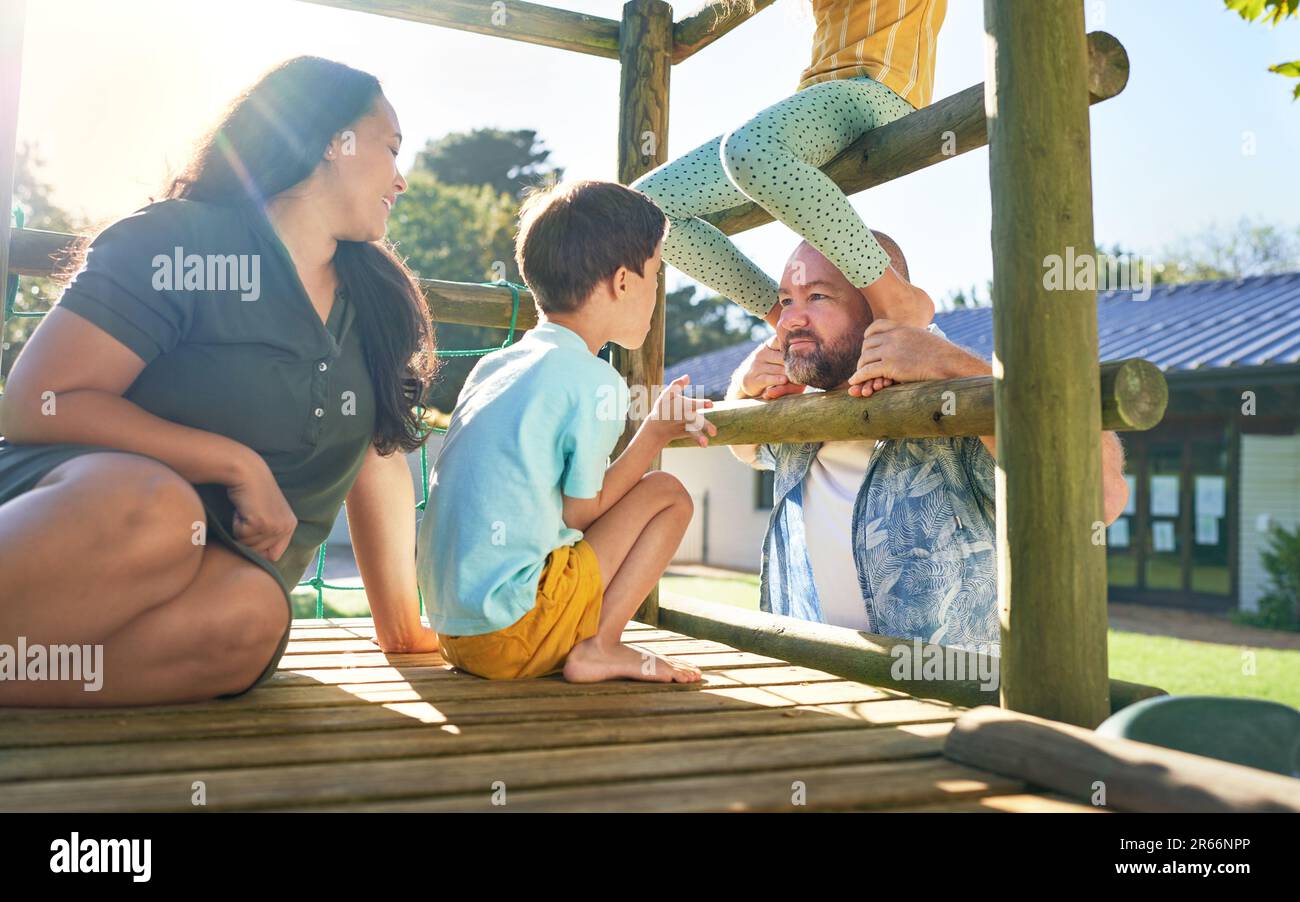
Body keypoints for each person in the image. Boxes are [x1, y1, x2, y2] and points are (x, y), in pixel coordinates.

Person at [0, 57, 438, 706]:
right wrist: (233, 463)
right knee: (163, 514)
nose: (401, 180)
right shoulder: (178, 241)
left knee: (255, 617)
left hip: (214, 581)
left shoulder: (380, 301)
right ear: (329, 139)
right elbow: (36, 404)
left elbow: (377, 456)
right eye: (393, 149)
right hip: (81, 517)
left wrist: (401, 626)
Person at [729, 239, 1130, 651]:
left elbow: (1100, 498)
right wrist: (743, 382)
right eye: (785, 301)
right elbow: (745, 448)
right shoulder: (800, 412)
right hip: (817, 687)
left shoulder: (948, 409)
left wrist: (953, 367)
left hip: (957, 704)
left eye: (816, 296)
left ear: (877, 311)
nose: (789, 320)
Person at [418, 180, 716, 683]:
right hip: (512, 633)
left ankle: (592, 641)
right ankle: (601, 646)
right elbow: (580, 512)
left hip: (454, 631)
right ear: (623, 281)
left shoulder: (494, 367)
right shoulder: (593, 378)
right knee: (667, 494)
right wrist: (656, 433)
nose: (656, 293)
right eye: (656, 276)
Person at [632, 0, 947, 329]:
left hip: (883, 89)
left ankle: (897, 299)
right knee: (644, 210)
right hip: (818, 98)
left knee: (751, 148)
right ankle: (782, 317)